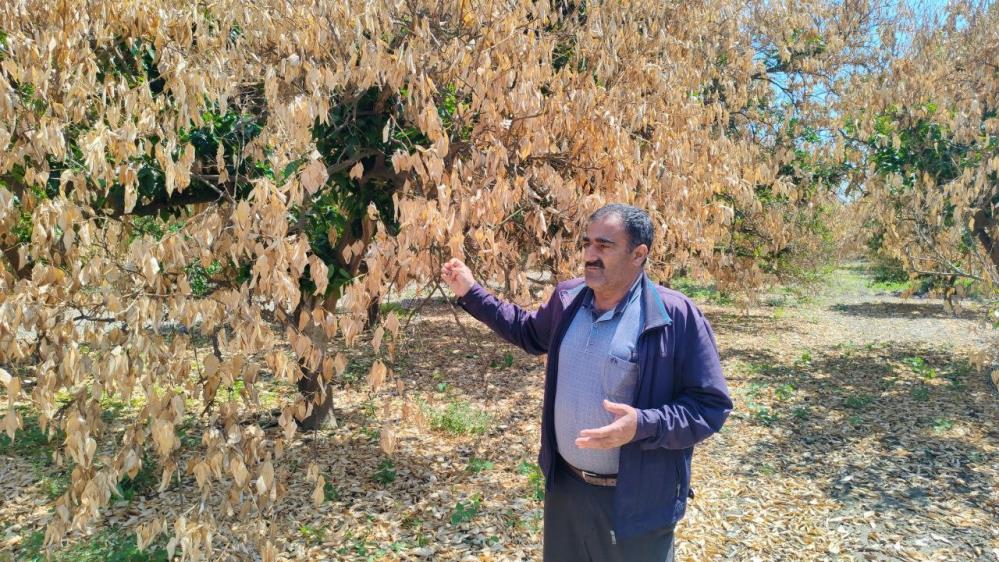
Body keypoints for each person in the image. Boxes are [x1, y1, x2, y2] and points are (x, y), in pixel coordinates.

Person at [440, 204, 732, 562]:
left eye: (604, 246)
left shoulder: (676, 316)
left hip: (634, 503)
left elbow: (710, 406)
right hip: (565, 489)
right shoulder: (568, 298)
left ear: (639, 254)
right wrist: (471, 291)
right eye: (587, 243)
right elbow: (528, 332)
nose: (589, 255)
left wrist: (643, 424)